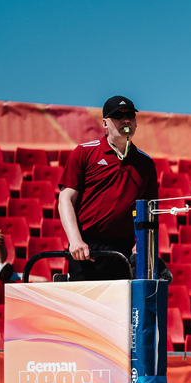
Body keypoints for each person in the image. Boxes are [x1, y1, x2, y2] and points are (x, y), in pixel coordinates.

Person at [58, 95, 159, 280]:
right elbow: (65, 199)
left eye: (130, 115)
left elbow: (150, 209)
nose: (125, 120)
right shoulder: (84, 152)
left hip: (124, 251)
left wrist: (142, 243)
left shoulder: (146, 163)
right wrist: (75, 240)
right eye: (118, 116)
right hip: (86, 249)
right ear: (105, 123)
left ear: (136, 122)